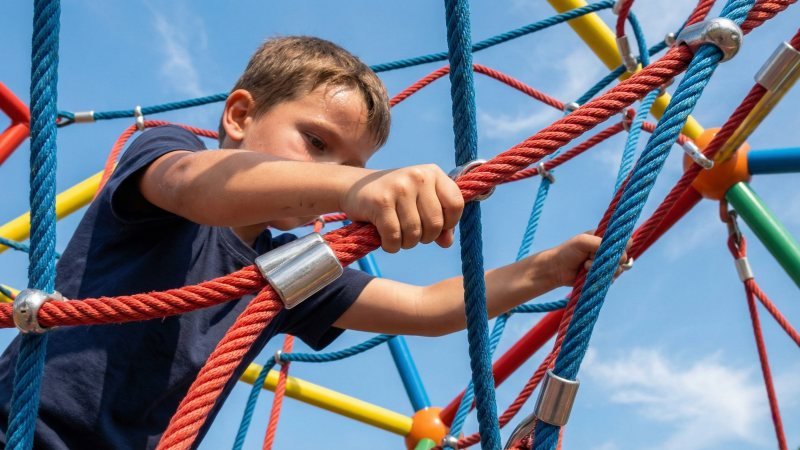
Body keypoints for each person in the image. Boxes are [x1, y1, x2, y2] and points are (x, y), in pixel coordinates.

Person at [0, 36, 628, 449]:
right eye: (319, 143)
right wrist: (354, 188)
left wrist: (548, 268)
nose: (339, 173)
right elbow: (199, 188)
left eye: (354, 164)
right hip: (24, 428)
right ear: (239, 116)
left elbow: (427, 309)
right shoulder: (167, 156)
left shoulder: (286, 269)